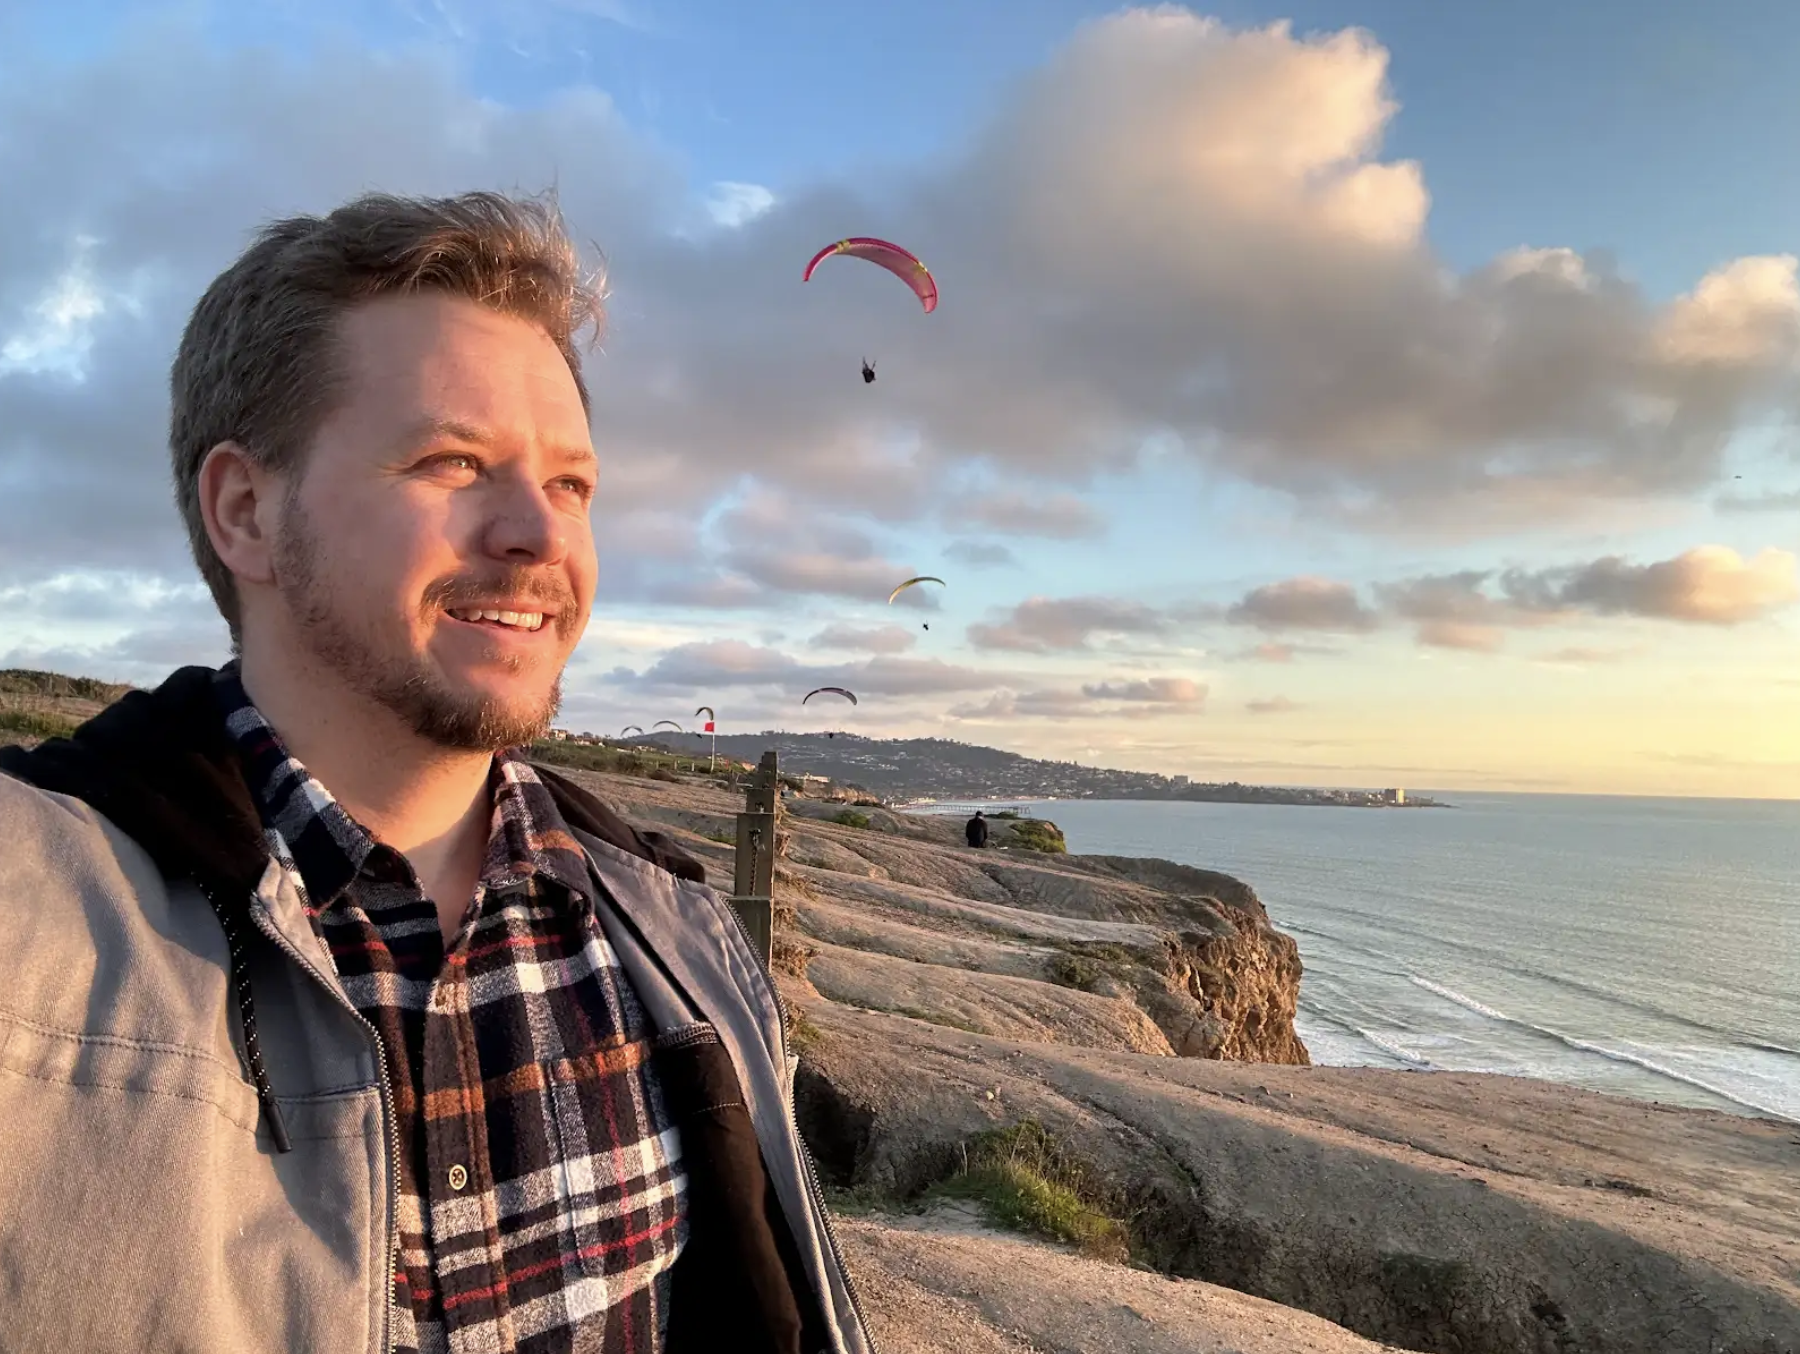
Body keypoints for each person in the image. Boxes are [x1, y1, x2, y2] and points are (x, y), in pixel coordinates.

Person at [0, 191, 872, 1354]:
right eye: (451, 460)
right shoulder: (40, 906)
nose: (540, 535)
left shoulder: (678, 940)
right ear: (246, 511)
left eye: (572, 484)